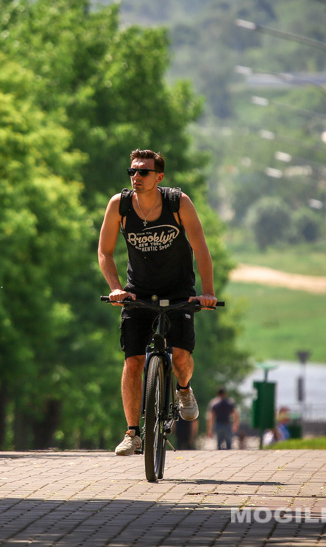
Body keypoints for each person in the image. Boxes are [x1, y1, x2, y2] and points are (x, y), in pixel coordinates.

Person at [98, 149, 217, 457]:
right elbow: (105, 252)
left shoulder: (179, 203)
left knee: (180, 358)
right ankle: (132, 433)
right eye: (132, 172)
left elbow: (201, 248)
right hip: (137, 292)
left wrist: (207, 292)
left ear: (159, 177)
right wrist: (115, 288)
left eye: (143, 172)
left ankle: (183, 389)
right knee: (133, 361)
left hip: (179, 292)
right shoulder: (120, 205)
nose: (136, 177)